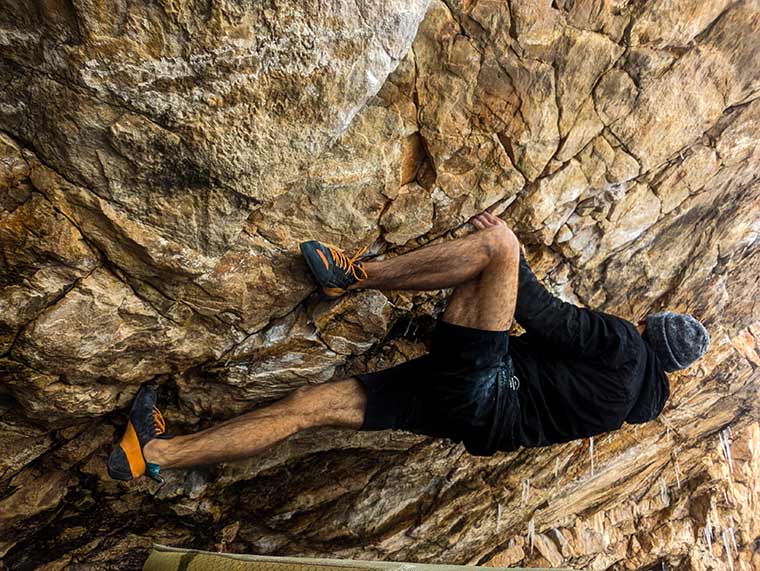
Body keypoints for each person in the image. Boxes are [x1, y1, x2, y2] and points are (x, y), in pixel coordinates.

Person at [106, 211, 710, 483]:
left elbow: (538, 311)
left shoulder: (625, 347)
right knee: (309, 406)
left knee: (500, 249)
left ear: (651, 329)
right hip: (468, 420)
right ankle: (153, 453)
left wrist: (507, 249)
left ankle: (356, 275)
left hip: (479, 386)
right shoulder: (620, 411)